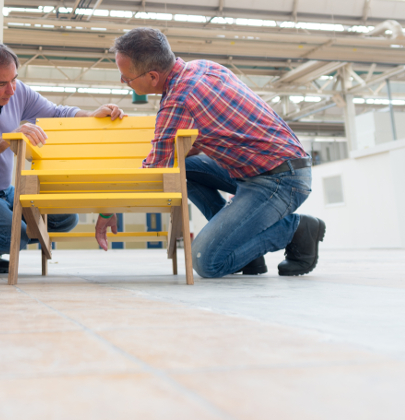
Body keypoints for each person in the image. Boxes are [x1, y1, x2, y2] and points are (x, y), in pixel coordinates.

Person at [98, 27, 324, 279]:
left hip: (280, 180)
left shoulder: (178, 102)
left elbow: (153, 174)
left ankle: (297, 230)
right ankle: (247, 252)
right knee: (185, 166)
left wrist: (108, 208)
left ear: (152, 76)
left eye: (126, 78)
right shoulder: (203, 66)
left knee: (206, 262)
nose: (122, 82)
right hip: (268, 166)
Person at [0, 41, 125, 275]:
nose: (11, 90)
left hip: (3, 191)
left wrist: (90, 115)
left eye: (13, 79)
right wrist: (8, 139)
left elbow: (56, 113)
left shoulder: (17, 90)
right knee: (15, 234)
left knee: (63, 218)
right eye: (2, 84)